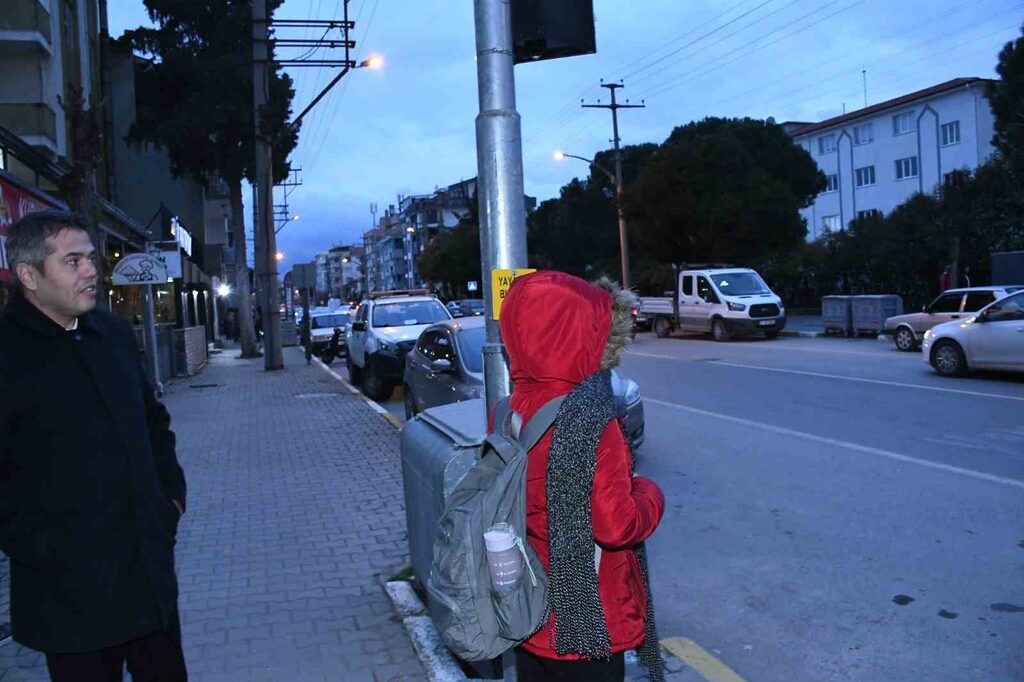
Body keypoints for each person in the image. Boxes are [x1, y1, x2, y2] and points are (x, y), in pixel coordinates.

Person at [0, 210, 187, 682]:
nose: (91, 271)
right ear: (29, 276)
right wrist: (44, 548)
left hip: (148, 580)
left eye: (90, 259)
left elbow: (153, 422)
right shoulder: (7, 355)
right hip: (69, 599)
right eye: (73, 260)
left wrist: (171, 499)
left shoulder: (113, 334)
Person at [497, 271, 666, 682]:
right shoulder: (591, 417)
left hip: (526, 605)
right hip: (586, 622)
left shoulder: (507, 410)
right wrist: (649, 493)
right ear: (582, 333)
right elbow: (616, 525)